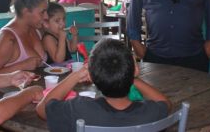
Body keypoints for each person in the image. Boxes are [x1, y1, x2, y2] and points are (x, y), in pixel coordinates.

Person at [36, 39, 170, 132]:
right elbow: (165, 103)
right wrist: (131, 76)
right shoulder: (150, 113)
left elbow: (42, 109)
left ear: (92, 78)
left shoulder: (79, 110)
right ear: (135, 70)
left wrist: (75, 75)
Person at [0, 0, 48, 74]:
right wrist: (21, 66)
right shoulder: (7, 38)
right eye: (42, 12)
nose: (46, 16)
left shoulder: (35, 29)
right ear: (26, 11)